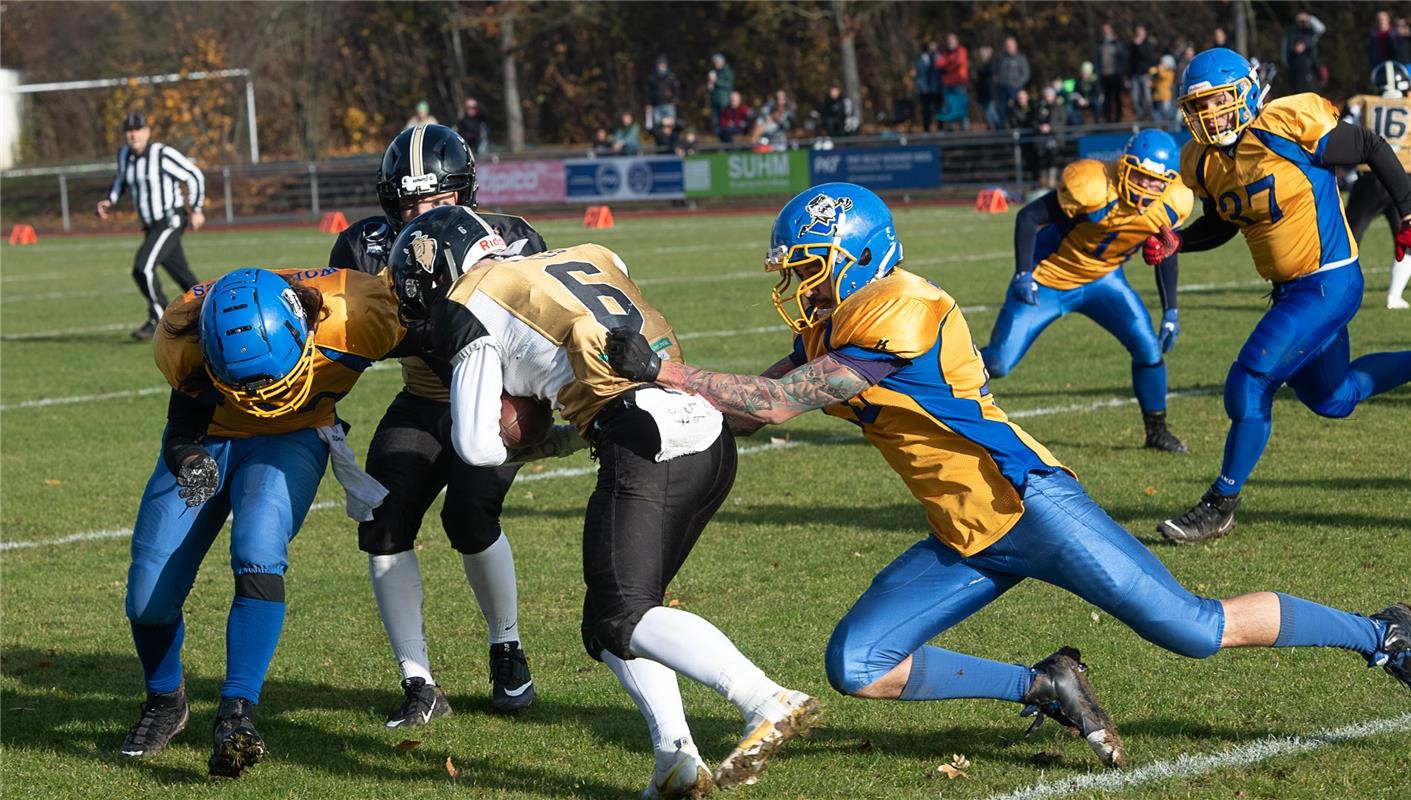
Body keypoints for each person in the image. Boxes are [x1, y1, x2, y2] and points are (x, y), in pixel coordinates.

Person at [602, 181, 1411, 770]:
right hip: (964, 536)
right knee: (856, 665)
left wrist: (676, 376)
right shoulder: (837, 326)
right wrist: (649, 379)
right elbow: (746, 408)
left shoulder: (901, 306)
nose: (799, 287)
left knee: (1195, 630)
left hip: (1032, 508)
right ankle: (1043, 685)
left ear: (856, 261)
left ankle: (1381, 633)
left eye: (810, 268)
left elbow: (777, 404)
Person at [386, 206, 820, 798]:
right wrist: (570, 420)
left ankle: (767, 699)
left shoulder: (468, 298)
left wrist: (544, 438)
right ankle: (676, 757)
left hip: (645, 436)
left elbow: (475, 444)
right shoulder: (590, 254)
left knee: (623, 616)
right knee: (614, 621)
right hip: (703, 430)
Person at [120, 266, 406, 777]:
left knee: (257, 548)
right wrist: (190, 462)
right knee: (147, 598)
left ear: (304, 331)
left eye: (269, 379)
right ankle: (165, 699)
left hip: (293, 436)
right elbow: (180, 428)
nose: (260, 397)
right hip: (211, 440)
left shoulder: (360, 312)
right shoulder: (184, 336)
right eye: (242, 382)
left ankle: (237, 713)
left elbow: (442, 339)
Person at [327, 123, 566, 726]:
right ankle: (418, 681)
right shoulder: (365, 250)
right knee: (383, 521)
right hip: (425, 397)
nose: (422, 213)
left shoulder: (509, 240)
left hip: (496, 401)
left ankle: (506, 647)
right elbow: (339, 344)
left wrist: (548, 417)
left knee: (469, 515)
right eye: (410, 203)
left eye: (435, 200)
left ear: (464, 193)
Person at [1146, 48, 1411, 543]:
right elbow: (1226, 219)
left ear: (1246, 94)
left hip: (1328, 281)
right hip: (1292, 290)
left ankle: (1219, 504)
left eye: (1219, 102)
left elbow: (1371, 145)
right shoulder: (1206, 163)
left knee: (1249, 382)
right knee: (1335, 398)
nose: (1210, 116)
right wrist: (1183, 239)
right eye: (1199, 108)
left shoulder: (1286, 124)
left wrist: (1409, 210)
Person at [981, 130, 1189, 453]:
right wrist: (1023, 273)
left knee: (1149, 350)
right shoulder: (1094, 185)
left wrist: (1171, 310)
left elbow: (1165, 253)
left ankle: (1157, 432)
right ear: (1124, 166)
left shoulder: (1172, 203)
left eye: (1156, 182)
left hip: (1104, 280)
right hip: (1048, 278)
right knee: (999, 363)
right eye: (1141, 177)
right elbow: (1029, 216)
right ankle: (937, 385)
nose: (1146, 188)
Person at [97, 111, 205, 340]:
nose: (133, 135)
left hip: (169, 220)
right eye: (129, 130)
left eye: (138, 130)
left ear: (147, 132)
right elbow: (121, 180)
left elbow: (194, 175)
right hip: (151, 225)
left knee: (142, 268)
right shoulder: (124, 155)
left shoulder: (162, 154)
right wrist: (110, 199)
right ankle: (209, 312)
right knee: (182, 275)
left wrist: (196, 208)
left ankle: (159, 316)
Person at [1344, 62, 1411, 308]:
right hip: (1402, 180)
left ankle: (1338, 291)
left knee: (1348, 239)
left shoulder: (1362, 102)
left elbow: (1345, 131)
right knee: (1407, 240)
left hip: (1369, 178)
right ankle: (1394, 295)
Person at [937, 33, 971, 131]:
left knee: (961, 106)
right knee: (949, 107)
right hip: (947, 84)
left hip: (959, 83)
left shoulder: (961, 50)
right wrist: (949, 64)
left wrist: (947, 67)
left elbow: (958, 62)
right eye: (948, 41)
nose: (950, 43)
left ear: (956, 41)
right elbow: (938, 64)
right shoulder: (945, 53)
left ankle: (965, 128)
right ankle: (951, 128)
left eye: (952, 41)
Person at [1095, 24, 1127, 123]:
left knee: (1117, 96)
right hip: (1104, 74)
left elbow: (1122, 58)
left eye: (1106, 30)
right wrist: (1098, 72)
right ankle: (1108, 117)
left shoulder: (1117, 43)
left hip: (1115, 74)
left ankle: (1118, 117)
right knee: (1107, 97)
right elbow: (1098, 59)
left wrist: (1122, 72)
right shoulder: (1100, 44)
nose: (1105, 32)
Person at [994, 37, 1030, 122]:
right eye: (1007, 46)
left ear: (1015, 46)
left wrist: (1017, 84)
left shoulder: (1021, 58)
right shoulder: (1001, 58)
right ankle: (1003, 128)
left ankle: (1026, 122)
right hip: (1003, 88)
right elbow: (997, 72)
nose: (1008, 48)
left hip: (1017, 88)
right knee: (1001, 109)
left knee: (1023, 107)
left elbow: (1026, 74)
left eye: (1010, 46)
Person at [643, 55, 680, 133]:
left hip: (668, 105)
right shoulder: (652, 78)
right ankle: (661, 143)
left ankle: (671, 142)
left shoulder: (671, 77)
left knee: (670, 125)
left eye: (663, 65)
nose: (661, 66)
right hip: (656, 106)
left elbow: (676, 90)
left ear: (666, 65)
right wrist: (648, 103)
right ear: (657, 66)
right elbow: (648, 92)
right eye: (659, 65)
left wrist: (674, 100)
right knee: (658, 125)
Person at [1128, 25, 1156, 121]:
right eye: (1137, 32)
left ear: (1144, 33)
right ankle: (1141, 116)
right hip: (1135, 75)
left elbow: (1147, 57)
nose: (1138, 34)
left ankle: (1152, 117)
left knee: (1148, 98)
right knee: (1135, 98)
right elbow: (1130, 60)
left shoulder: (1147, 44)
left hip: (1145, 74)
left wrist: (1138, 45)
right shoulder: (1132, 45)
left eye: (1140, 32)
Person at [915, 40, 942, 133]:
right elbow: (919, 75)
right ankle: (926, 129)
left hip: (937, 89)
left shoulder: (940, 58)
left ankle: (940, 129)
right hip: (926, 90)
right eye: (931, 46)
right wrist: (923, 87)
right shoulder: (922, 59)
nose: (932, 48)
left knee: (940, 110)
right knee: (927, 111)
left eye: (934, 46)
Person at [707, 53, 735, 139]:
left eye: (717, 62)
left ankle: (726, 142)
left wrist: (716, 81)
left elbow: (729, 85)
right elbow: (710, 88)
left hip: (724, 101)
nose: (716, 64)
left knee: (724, 123)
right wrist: (710, 83)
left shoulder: (727, 71)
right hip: (714, 101)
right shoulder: (713, 71)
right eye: (715, 62)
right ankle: (720, 142)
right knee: (716, 124)